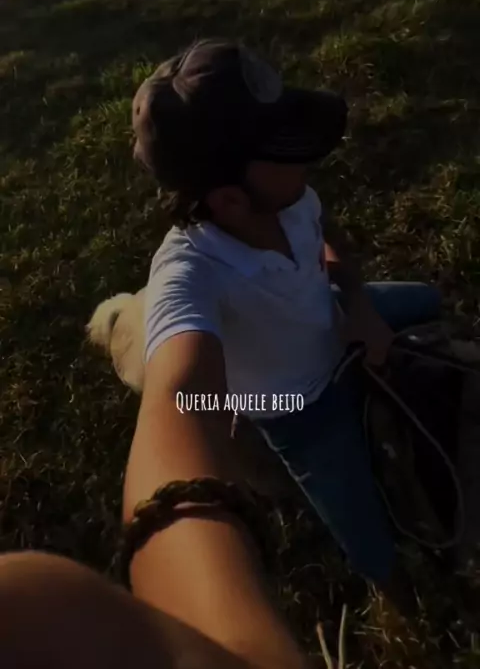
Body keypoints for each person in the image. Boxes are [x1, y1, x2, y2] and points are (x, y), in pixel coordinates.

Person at [132, 38, 443, 613]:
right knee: (365, 533)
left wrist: (358, 304)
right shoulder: (190, 276)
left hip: (336, 316)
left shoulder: (286, 196)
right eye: (287, 151)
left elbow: (328, 236)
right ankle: (400, 604)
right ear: (230, 200)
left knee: (429, 300)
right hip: (299, 407)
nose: (307, 162)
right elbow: (175, 399)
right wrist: (231, 407)